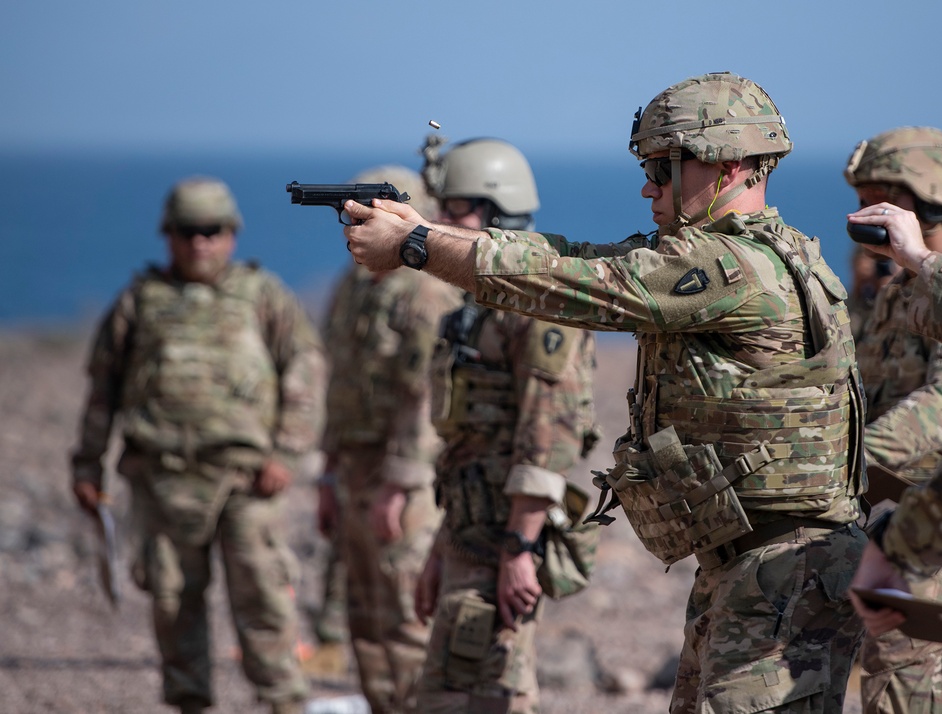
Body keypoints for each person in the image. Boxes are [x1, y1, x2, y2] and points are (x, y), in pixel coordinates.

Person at [343, 71, 867, 713]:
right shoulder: (742, 255)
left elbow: (579, 285)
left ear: (728, 167)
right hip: (750, 561)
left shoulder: (731, 267)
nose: (648, 185)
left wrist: (419, 246)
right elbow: (570, 257)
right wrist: (429, 231)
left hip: (781, 565)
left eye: (662, 167)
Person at [70, 177, 326, 714]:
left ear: (231, 234)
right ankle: (190, 703)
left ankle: (284, 702)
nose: (199, 244)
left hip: (245, 481)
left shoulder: (263, 296)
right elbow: (103, 390)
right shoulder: (140, 302)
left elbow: (305, 372)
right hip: (162, 478)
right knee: (172, 602)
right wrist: (87, 465)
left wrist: (287, 452)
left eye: (211, 231)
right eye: (187, 232)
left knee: (263, 599)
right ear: (169, 235)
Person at [410, 136, 599, 713]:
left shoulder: (533, 304)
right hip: (469, 532)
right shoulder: (476, 310)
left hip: (503, 540)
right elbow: (469, 440)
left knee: (491, 693)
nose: (440, 221)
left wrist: (520, 545)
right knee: (448, 694)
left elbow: (550, 435)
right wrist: (443, 547)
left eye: (456, 209)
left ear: (498, 212)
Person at [844, 126, 942, 713]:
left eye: (877, 199)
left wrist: (840, 471)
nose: (862, 214)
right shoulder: (896, 293)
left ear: (929, 200)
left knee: (914, 697)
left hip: (939, 542)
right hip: (884, 525)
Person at [316, 165, 462, 713]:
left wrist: (399, 484)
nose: (355, 231)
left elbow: (426, 396)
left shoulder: (426, 296)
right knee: (363, 615)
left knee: (405, 618)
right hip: (353, 469)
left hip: (403, 478)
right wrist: (327, 475)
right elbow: (338, 384)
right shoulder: (351, 288)